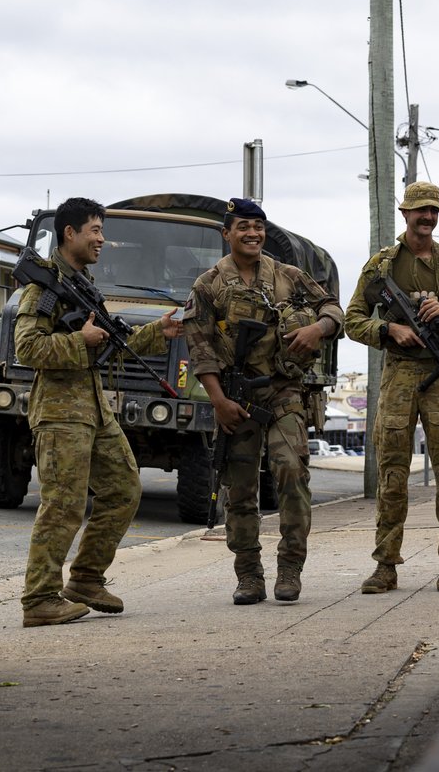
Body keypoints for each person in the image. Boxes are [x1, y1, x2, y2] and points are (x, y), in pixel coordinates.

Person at [17, 197, 182, 628]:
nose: (102, 239)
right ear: (69, 232)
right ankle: (39, 598)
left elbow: (110, 345)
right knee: (62, 505)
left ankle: (86, 579)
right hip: (59, 412)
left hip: (92, 409)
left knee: (124, 490)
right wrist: (80, 343)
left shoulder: (81, 285)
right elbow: (27, 348)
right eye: (94, 230)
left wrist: (158, 332)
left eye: (102, 230)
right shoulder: (44, 288)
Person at [183, 198, 343, 606]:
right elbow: (200, 349)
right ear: (227, 233)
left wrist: (316, 331)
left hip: (283, 390)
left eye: (258, 226)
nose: (252, 233)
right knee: (239, 490)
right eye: (243, 227)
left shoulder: (289, 276)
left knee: (291, 472)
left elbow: (333, 309)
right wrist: (218, 402)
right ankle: (249, 575)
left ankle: (290, 567)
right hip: (235, 397)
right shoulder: (207, 285)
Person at [344, 181, 439, 595]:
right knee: (391, 475)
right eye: (420, 210)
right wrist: (390, 329)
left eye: (433, 211)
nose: (427, 217)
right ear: (405, 214)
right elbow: (353, 320)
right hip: (399, 375)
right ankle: (386, 565)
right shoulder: (382, 266)